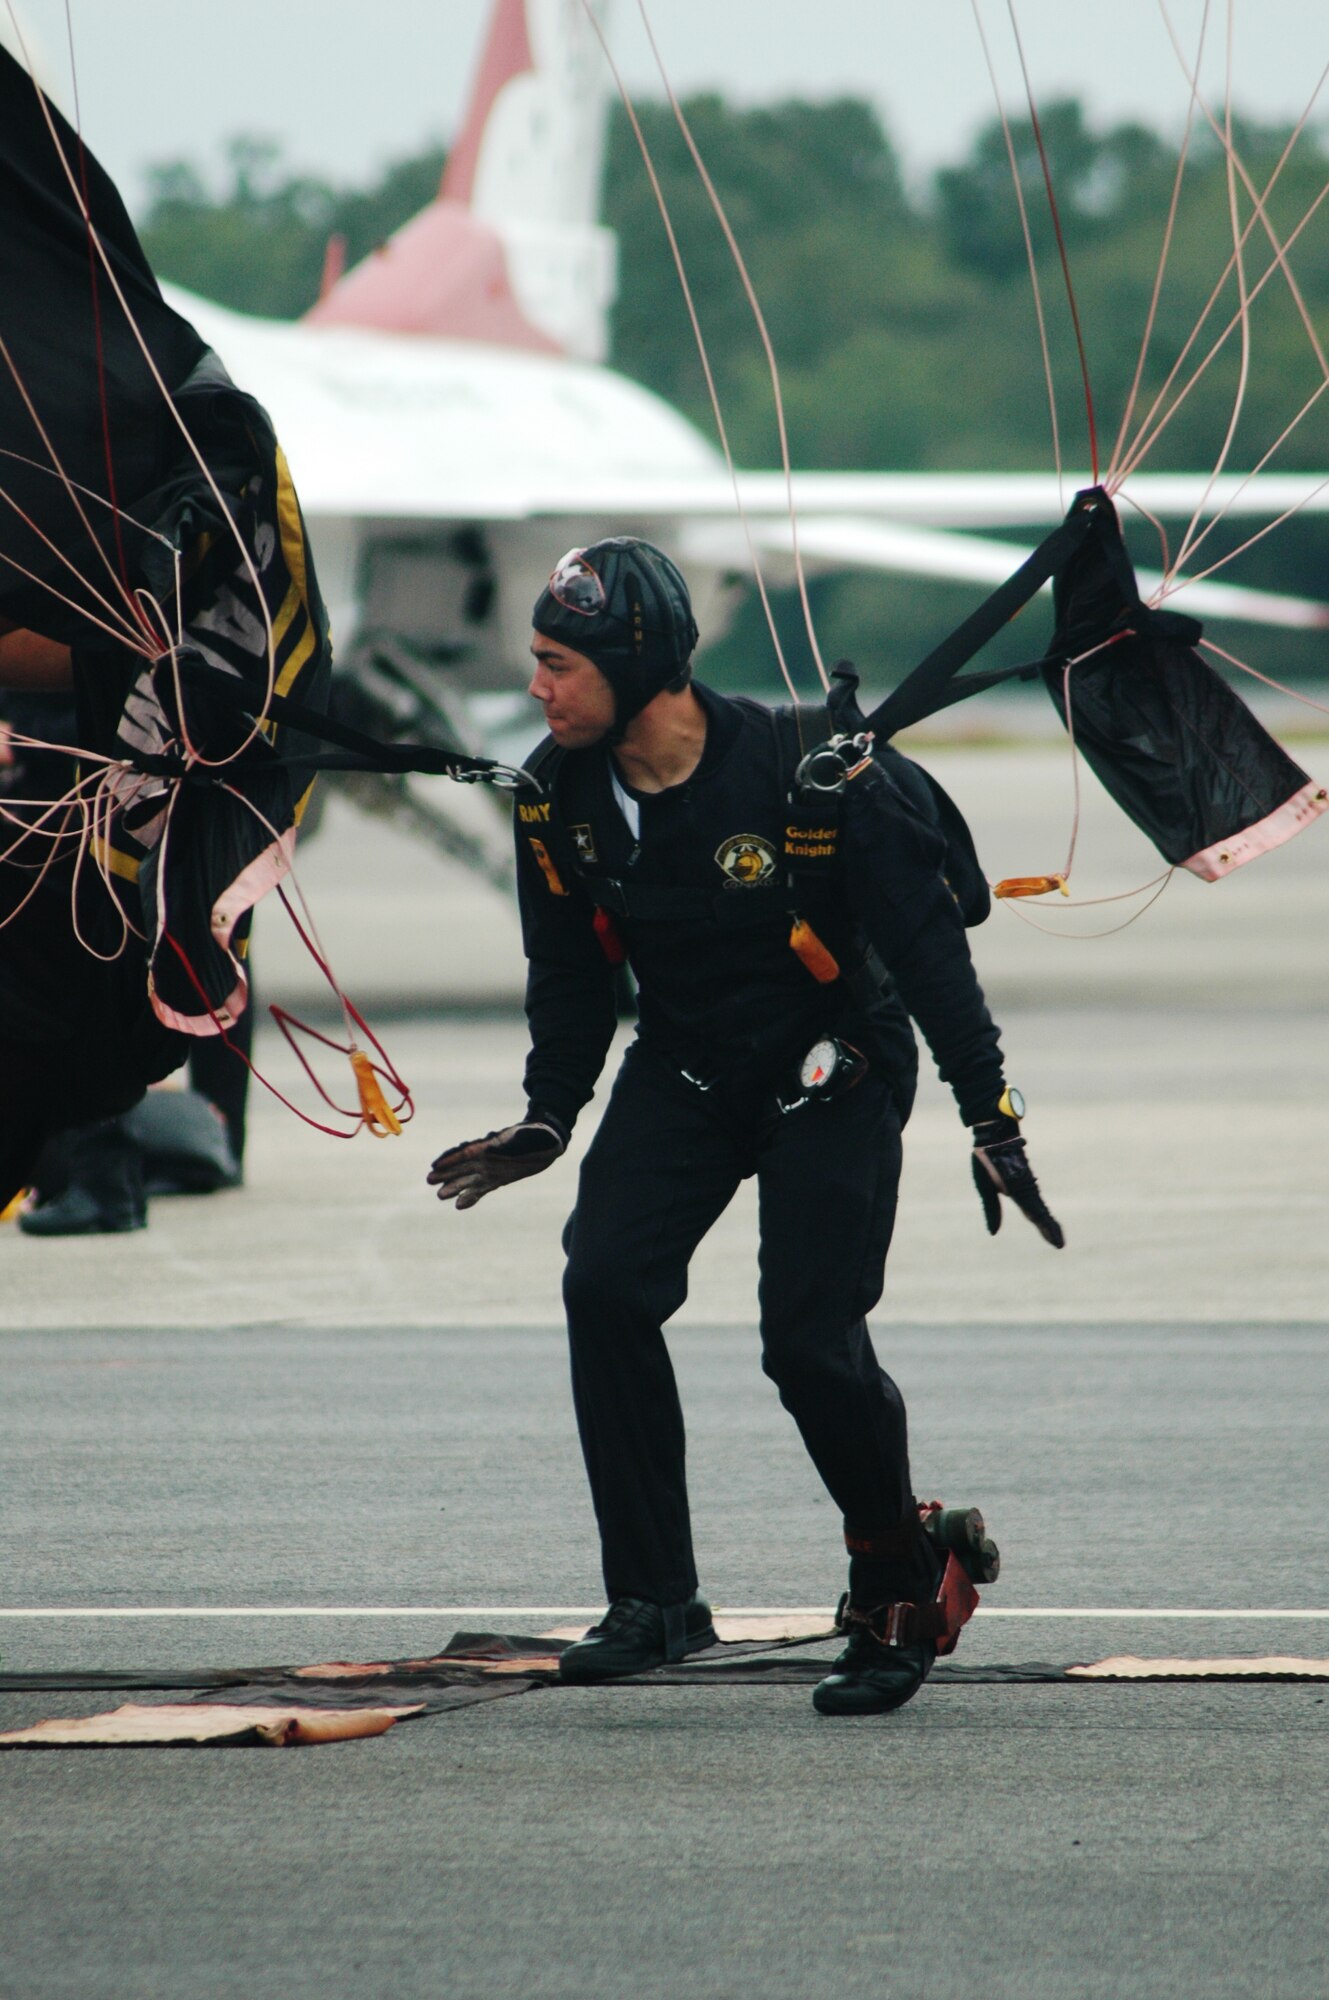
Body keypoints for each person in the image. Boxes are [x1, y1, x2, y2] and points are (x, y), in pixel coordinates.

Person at [428, 538, 1063, 1716]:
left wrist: (991, 1114)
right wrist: (550, 1113)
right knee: (605, 1282)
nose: (536, 686)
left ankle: (897, 1580)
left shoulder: (802, 773)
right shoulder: (556, 795)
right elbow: (567, 975)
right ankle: (655, 1599)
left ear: (636, 667)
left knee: (809, 1340)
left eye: (559, 664)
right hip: (686, 1066)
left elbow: (930, 952)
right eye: (537, 661)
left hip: (836, 1062)